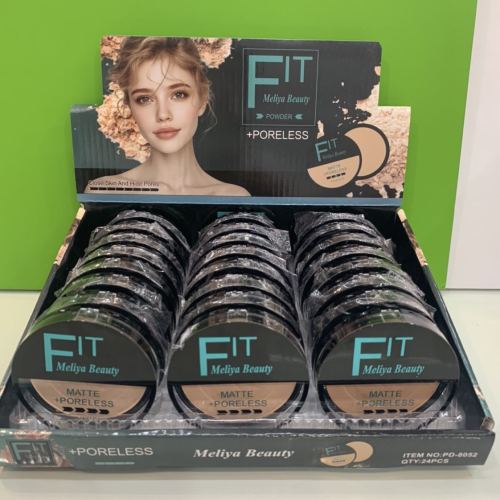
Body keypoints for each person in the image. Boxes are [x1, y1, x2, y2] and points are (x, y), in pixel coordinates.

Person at [85, 37, 250, 196]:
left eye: (179, 94)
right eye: (144, 99)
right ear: (129, 106)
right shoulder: (106, 192)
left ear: (202, 100)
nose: (163, 114)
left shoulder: (234, 197)